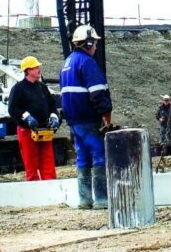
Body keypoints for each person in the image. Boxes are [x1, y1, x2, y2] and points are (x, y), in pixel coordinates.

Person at [59, 24, 113, 209]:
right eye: (95, 43)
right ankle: (102, 199)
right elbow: (97, 92)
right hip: (88, 118)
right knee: (99, 154)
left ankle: (85, 199)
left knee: (82, 156)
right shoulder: (87, 62)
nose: (96, 47)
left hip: (74, 121)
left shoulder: (67, 63)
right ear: (88, 42)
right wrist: (106, 114)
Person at [7, 56, 60, 182]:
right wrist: (27, 117)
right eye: (36, 67)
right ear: (28, 70)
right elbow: (13, 109)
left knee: (48, 163)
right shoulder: (18, 89)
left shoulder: (42, 87)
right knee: (31, 164)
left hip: (44, 130)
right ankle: (33, 191)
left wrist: (54, 116)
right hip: (27, 132)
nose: (39, 69)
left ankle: (50, 188)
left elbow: (52, 104)